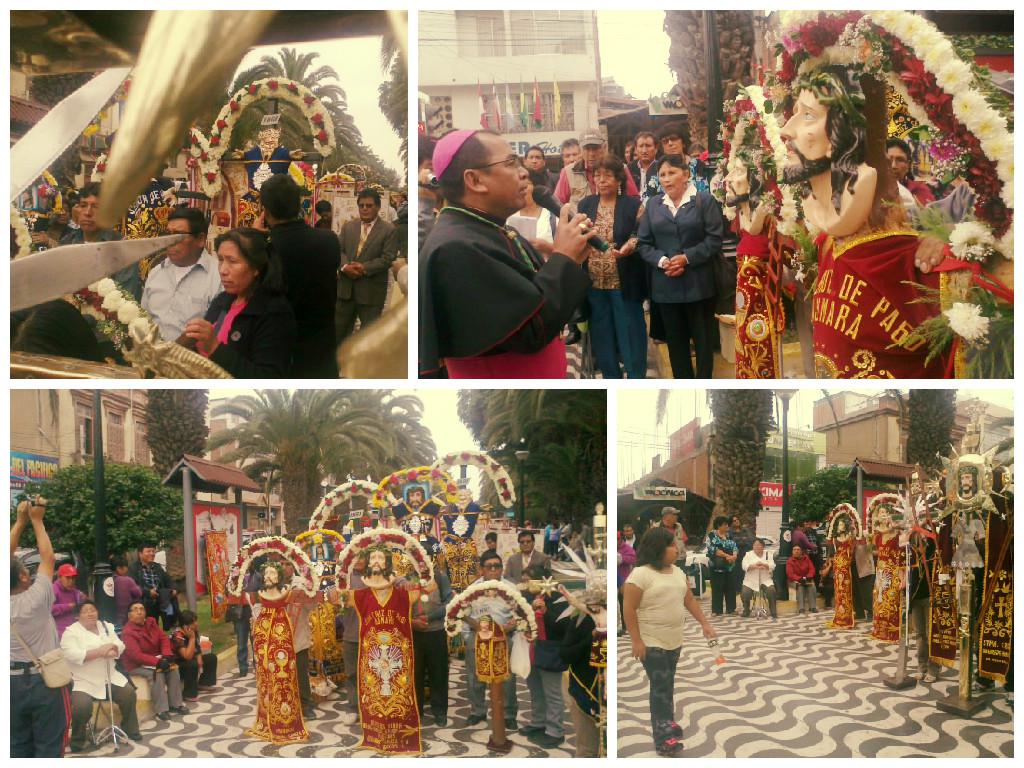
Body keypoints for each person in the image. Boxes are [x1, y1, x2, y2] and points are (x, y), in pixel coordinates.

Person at [779, 66, 945, 378]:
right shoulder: (825, 232)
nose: (786, 130)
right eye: (793, 114)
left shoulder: (891, 229)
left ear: (837, 137)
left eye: (808, 116)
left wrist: (944, 239)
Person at [419, 129, 592, 378]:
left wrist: (570, 258)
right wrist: (564, 260)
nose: (524, 172)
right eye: (511, 163)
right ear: (475, 180)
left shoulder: (487, 228)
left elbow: (533, 295)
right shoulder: (456, 248)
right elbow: (529, 331)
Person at [623, 526, 716, 756]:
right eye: (672, 545)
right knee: (660, 687)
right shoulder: (640, 574)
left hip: (674, 639)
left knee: (667, 683)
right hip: (651, 640)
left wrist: (705, 624)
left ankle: (667, 720)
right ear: (658, 548)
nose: (677, 549)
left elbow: (690, 600)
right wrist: (636, 640)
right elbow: (628, 608)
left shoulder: (677, 572)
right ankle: (663, 737)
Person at [637, 154, 722, 378]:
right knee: (676, 346)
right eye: (662, 175)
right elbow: (644, 243)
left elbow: (714, 239)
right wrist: (663, 261)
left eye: (671, 173)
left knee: (703, 345)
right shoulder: (654, 205)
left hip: (699, 286)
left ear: (685, 175)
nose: (666, 179)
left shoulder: (704, 201)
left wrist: (686, 258)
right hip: (666, 287)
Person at [185, 227, 296, 378]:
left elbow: (268, 379)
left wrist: (214, 347)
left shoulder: (274, 312)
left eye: (232, 261)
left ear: (256, 267)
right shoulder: (223, 300)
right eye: (221, 260)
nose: (223, 270)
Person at [260, 174, 341, 378]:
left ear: (266, 211)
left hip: (281, 350)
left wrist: (254, 238)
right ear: (299, 205)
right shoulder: (329, 240)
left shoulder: (265, 250)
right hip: (322, 347)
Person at [577, 154, 646, 379]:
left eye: (607, 175)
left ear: (619, 180)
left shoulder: (633, 204)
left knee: (630, 334)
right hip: (594, 282)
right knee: (602, 334)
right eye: (597, 175)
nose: (601, 180)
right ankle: (611, 379)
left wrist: (629, 245)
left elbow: (642, 233)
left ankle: (636, 379)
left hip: (623, 281)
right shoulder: (585, 204)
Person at [11, 497, 69, 758]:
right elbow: (48, 557)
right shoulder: (37, 597)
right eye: (26, 570)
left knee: (15, 749)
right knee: (49, 748)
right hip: (44, 681)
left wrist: (19, 522)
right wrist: (36, 520)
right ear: (23, 576)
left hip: (9, 685)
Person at [62, 600, 142, 751]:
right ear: (77, 616)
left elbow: (120, 645)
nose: (90, 613)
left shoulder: (105, 626)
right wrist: (99, 652)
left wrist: (112, 648)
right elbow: (71, 654)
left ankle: (130, 729)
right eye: (85, 611)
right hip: (84, 680)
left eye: (93, 610)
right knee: (81, 707)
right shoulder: (71, 632)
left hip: (109, 676)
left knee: (128, 693)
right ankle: (78, 740)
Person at [141, 206, 222, 341]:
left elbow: (218, 332)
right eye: (168, 235)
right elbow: (143, 319)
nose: (170, 242)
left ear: (200, 239)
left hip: (195, 359)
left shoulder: (218, 277)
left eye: (178, 236)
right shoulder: (156, 273)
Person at [248, 562, 308, 744]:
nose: (268, 576)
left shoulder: (288, 591)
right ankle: (267, 716)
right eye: (266, 573)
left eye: (272, 573)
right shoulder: (260, 594)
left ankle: (286, 716)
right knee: (267, 677)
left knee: (285, 677)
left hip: (282, 637)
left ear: (279, 576)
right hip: (265, 638)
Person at [463, 551, 519, 732]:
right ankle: (477, 711)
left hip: (504, 638)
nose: (494, 570)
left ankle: (509, 715)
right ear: (481, 570)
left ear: (502, 569)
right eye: (489, 567)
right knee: (475, 678)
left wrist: (512, 627)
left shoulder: (511, 589)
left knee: (507, 679)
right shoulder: (472, 590)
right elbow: (463, 614)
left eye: (497, 566)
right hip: (477, 637)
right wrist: (467, 637)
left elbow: (520, 614)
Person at [336, 188, 397, 344]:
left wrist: (363, 268)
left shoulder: (388, 230)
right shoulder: (348, 227)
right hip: (346, 290)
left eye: (369, 205)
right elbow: (338, 251)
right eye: (361, 205)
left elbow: (387, 258)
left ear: (377, 207)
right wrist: (344, 267)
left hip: (371, 292)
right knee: (339, 334)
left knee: (368, 338)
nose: (364, 209)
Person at [411, 540, 454, 727]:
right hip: (414, 634)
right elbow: (401, 606)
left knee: (439, 673)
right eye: (418, 558)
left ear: (431, 558)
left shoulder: (440, 577)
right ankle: (416, 711)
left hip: (436, 632)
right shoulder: (408, 579)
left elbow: (450, 603)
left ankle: (439, 711)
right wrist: (411, 622)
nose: (421, 561)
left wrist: (430, 617)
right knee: (415, 674)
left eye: (425, 557)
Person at [121, 600, 188, 721]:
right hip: (136, 665)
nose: (139, 612)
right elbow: (135, 655)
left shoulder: (151, 622)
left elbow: (163, 638)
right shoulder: (128, 632)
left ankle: (175, 704)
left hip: (156, 658)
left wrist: (166, 655)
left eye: (142, 609)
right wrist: (157, 662)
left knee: (173, 669)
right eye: (135, 609)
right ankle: (161, 709)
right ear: (129, 615)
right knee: (157, 673)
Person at [524, 588, 568, 748]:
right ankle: (538, 722)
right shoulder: (525, 596)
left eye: (529, 578)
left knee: (552, 692)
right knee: (535, 688)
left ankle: (555, 731)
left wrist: (546, 611)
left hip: (550, 650)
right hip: (532, 648)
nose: (526, 583)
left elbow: (563, 625)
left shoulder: (557, 598)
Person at [554, 130, 639, 205]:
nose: (591, 154)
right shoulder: (569, 172)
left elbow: (634, 200)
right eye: (587, 149)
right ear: (581, 150)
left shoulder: (620, 168)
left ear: (604, 147)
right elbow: (557, 203)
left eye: (595, 148)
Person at [283, 560, 319, 721]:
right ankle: (284, 702)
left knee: (301, 672)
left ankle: (306, 704)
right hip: (278, 638)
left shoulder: (301, 583)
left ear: (293, 567)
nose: (285, 567)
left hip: (298, 636)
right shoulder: (269, 582)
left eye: (287, 564)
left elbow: (312, 606)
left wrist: (306, 594)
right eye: (281, 564)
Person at [508, 168, 559, 259]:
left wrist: (549, 248)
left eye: (526, 185)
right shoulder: (507, 218)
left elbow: (568, 254)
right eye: (516, 185)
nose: (522, 190)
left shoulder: (552, 218)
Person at [129, 543, 179, 630]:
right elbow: (133, 586)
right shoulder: (134, 568)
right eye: (148, 551)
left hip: (159, 598)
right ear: (140, 554)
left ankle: (171, 623)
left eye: (153, 551)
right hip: (144, 600)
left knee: (170, 598)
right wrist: (148, 592)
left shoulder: (157, 567)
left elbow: (169, 580)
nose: (152, 553)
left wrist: (174, 589)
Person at [171, 610, 218, 702]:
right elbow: (186, 656)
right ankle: (188, 693)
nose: (196, 624)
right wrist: (191, 638)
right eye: (193, 622)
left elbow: (196, 647)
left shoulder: (193, 631)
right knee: (192, 663)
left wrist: (199, 657)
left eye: (196, 621)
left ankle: (204, 683)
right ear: (185, 626)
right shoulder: (178, 636)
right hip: (179, 664)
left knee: (211, 658)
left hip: (189, 659)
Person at [886, 138, 935, 210]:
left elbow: (932, 218)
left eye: (900, 160)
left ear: (908, 165)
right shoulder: (870, 190)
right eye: (889, 160)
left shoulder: (919, 190)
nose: (893, 165)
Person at [706, 516, 738, 615]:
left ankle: (731, 609)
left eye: (727, 524)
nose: (727, 526)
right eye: (725, 524)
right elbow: (713, 550)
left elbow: (735, 547)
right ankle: (716, 610)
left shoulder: (729, 535)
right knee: (717, 588)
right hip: (716, 567)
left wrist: (734, 556)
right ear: (719, 525)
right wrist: (727, 555)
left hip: (730, 567)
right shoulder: (712, 535)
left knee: (731, 588)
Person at [740, 538, 777, 618]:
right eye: (755, 545)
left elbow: (773, 566)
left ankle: (773, 611)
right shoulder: (748, 554)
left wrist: (764, 565)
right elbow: (744, 566)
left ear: (763, 546)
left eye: (759, 545)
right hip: (750, 580)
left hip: (765, 579)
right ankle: (746, 610)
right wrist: (754, 566)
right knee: (745, 593)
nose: (757, 547)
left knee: (771, 590)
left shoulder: (768, 554)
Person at [51, 562, 87, 638]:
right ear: (60, 577)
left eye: (73, 578)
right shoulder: (54, 589)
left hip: (75, 628)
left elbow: (83, 603)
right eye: (67, 578)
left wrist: (84, 599)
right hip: (60, 632)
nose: (71, 581)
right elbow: (48, 609)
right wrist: (68, 606)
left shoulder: (73, 590)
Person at [628, 131, 663, 205]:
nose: (644, 150)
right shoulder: (629, 169)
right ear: (636, 149)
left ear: (656, 148)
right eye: (641, 146)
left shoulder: (662, 168)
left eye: (648, 146)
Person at [111, 557, 142, 630]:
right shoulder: (127, 580)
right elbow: (139, 593)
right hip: (126, 618)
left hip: (111, 618)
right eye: (126, 567)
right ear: (119, 568)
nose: (127, 569)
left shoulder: (105, 580)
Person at [728, 515, 755, 596]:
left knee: (745, 575)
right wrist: (742, 541)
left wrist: (740, 542)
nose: (737, 521)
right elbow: (732, 544)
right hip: (736, 557)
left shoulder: (745, 530)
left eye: (737, 519)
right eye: (734, 520)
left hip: (745, 556)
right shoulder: (730, 532)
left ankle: (744, 591)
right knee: (736, 575)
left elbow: (751, 540)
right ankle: (736, 590)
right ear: (731, 523)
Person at [786, 545, 817, 614]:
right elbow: (790, 574)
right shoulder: (790, 561)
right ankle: (801, 608)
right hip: (795, 581)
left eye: (798, 549)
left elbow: (812, 569)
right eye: (794, 549)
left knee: (811, 586)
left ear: (801, 551)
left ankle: (813, 607)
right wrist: (799, 579)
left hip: (806, 578)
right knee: (800, 586)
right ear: (792, 551)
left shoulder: (806, 558)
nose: (796, 551)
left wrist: (809, 577)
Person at [617, 531, 636, 635]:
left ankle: (625, 626)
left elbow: (633, 559)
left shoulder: (627, 548)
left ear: (620, 539)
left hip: (623, 579)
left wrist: (622, 558)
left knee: (624, 603)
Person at [852, 540, 876, 621]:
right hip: (851, 562)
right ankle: (859, 612)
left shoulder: (866, 529)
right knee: (855, 589)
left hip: (864, 562)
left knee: (866, 589)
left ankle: (871, 612)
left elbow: (872, 545)